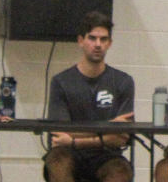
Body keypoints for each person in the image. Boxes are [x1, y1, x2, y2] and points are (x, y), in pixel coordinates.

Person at [44, 11, 135, 182]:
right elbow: (59, 133)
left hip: (106, 155)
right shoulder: (61, 81)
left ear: (110, 43)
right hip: (68, 154)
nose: (98, 44)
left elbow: (120, 137)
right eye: (92, 38)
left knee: (120, 172)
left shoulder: (123, 81)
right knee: (57, 162)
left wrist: (74, 140)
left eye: (103, 39)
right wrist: (108, 127)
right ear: (81, 41)